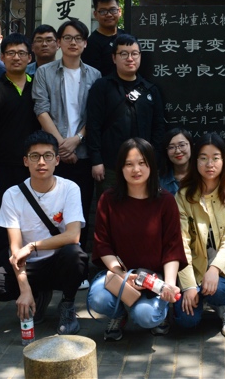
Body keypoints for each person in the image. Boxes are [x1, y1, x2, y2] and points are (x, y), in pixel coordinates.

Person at [0, 131, 89, 335]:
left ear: (57, 160)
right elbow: (15, 249)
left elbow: (73, 235)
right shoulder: (12, 194)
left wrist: (32, 246)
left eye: (48, 156)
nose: (41, 162)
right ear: (25, 161)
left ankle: (68, 304)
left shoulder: (69, 188)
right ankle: (37, 293)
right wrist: (25, 289)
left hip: (58, 263)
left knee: (75, 254)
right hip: (29, 266)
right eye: (34, 156)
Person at [89, 138, 185, 341]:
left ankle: (156, 314)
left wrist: (168, 285)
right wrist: (123, 275)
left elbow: (173, 247)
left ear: (151, 165)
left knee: (146, 316)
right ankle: (119, 314)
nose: (136, 169)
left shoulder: (166, 201)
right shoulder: (108, 199)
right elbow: (102, 244)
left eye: (142, 163)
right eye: (129, 164)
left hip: (153, 278)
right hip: (119, 274)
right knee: (98, 299)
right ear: (120, 168)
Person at [32, 19, 102, 251]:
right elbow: (41, 110)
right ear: (59, 42)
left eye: (78, 38)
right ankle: (48, 257)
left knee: (80, 209)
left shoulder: (95, 75)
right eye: (68, 38)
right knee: (51, 209)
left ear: (85, 44)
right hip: (53, 154)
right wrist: (61, 145)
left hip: (83, 153)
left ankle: (77, 259)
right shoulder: (44, 72)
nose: (73, 43)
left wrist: (77, 139)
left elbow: (96, 115)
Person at [174, 133, 225, 337]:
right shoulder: (183, 196)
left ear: (224, 160)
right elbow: (181, 242)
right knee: (186, 320)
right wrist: (188, 285)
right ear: (195, 161)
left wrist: (215, 269)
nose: (209, 164)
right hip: (194, 267)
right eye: (203, 158)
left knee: (219, 291)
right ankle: (198, 294)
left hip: (222, 269)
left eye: (215, 158)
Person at [86, 34, 165, 191]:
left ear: (140, 56)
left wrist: (154, 160)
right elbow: (93, 125)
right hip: (110, 166)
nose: (130, 58)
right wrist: (96, 160)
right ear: (114, 58)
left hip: (143, 165)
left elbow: (158, 127)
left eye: (134, 53)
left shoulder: (150, 89)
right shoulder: (101, 87)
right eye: (124, 54)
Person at [0, 33, 41, 198]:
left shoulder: (38, 85)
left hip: (35, 162)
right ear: (2, 57)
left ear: (29, 57)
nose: (16, 58)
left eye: (21, 53)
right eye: (11, 53)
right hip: (3, 165)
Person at [81, 0, 126, 76]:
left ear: (119, 11)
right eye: (103, 11)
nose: (109, 15)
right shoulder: (91, 44)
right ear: (95, 14)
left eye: (113, 10)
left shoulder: (125, 36)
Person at [158, 127, 194, 194]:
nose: (177, 151)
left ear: (191, 146)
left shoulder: (202, 175)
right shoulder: (159, 180)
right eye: (171, 147)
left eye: (182, 145)